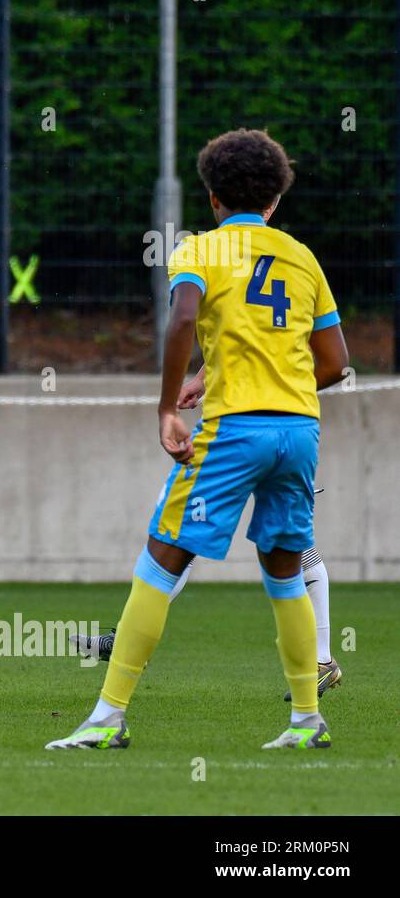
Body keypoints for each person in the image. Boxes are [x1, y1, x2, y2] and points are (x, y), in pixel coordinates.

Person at [46, 129, 349, 750]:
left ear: (212, 197)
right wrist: (268, 383)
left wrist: (167, 406)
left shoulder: (200, 251)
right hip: (298, 429)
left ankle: (107, 719)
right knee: (284, 572)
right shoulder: (302, 257)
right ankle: (305, 721)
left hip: (233, 431)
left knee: (159, 563)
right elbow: (335, 362)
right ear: (275, 197)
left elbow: (184, 316)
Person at [71, 366, 342, 702]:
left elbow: (195, 323)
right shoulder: (286, 318)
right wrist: (207, 382)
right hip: (284, 428)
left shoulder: (214, 315)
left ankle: (120, 668)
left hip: (247, 430)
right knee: (283, 546)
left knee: (190, 540)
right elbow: (331, 358)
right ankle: (318, 676)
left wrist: (271, 392)